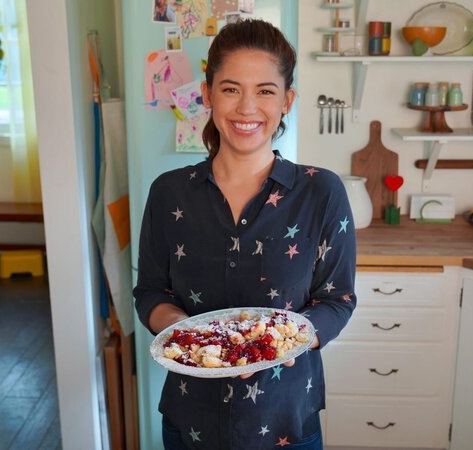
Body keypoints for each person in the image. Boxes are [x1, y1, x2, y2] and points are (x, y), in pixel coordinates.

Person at [134, 19, 357, 450]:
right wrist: (192, 336)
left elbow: (337, 301)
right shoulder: (169, 192)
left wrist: (272, 344)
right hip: (190, 418)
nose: (246, 108)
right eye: (231, 88)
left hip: (286, 421)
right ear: (208, 94)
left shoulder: (321, 192)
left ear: (287, 101)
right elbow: (149, 294)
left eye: (266, 91)